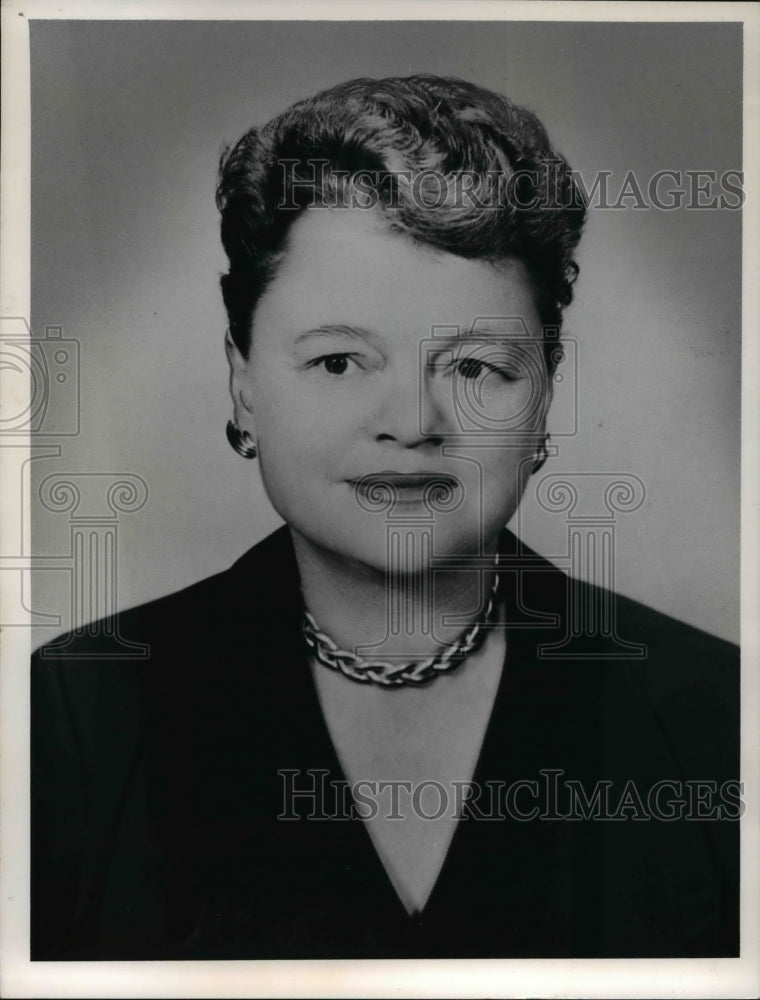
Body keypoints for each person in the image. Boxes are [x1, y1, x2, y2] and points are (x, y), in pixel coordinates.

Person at [31, 74, 739, 960]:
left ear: (546, 396)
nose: (412, 421)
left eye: (476, 367)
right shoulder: (71, 717)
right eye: (337, 362)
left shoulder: (719, 719)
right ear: (243, 380)